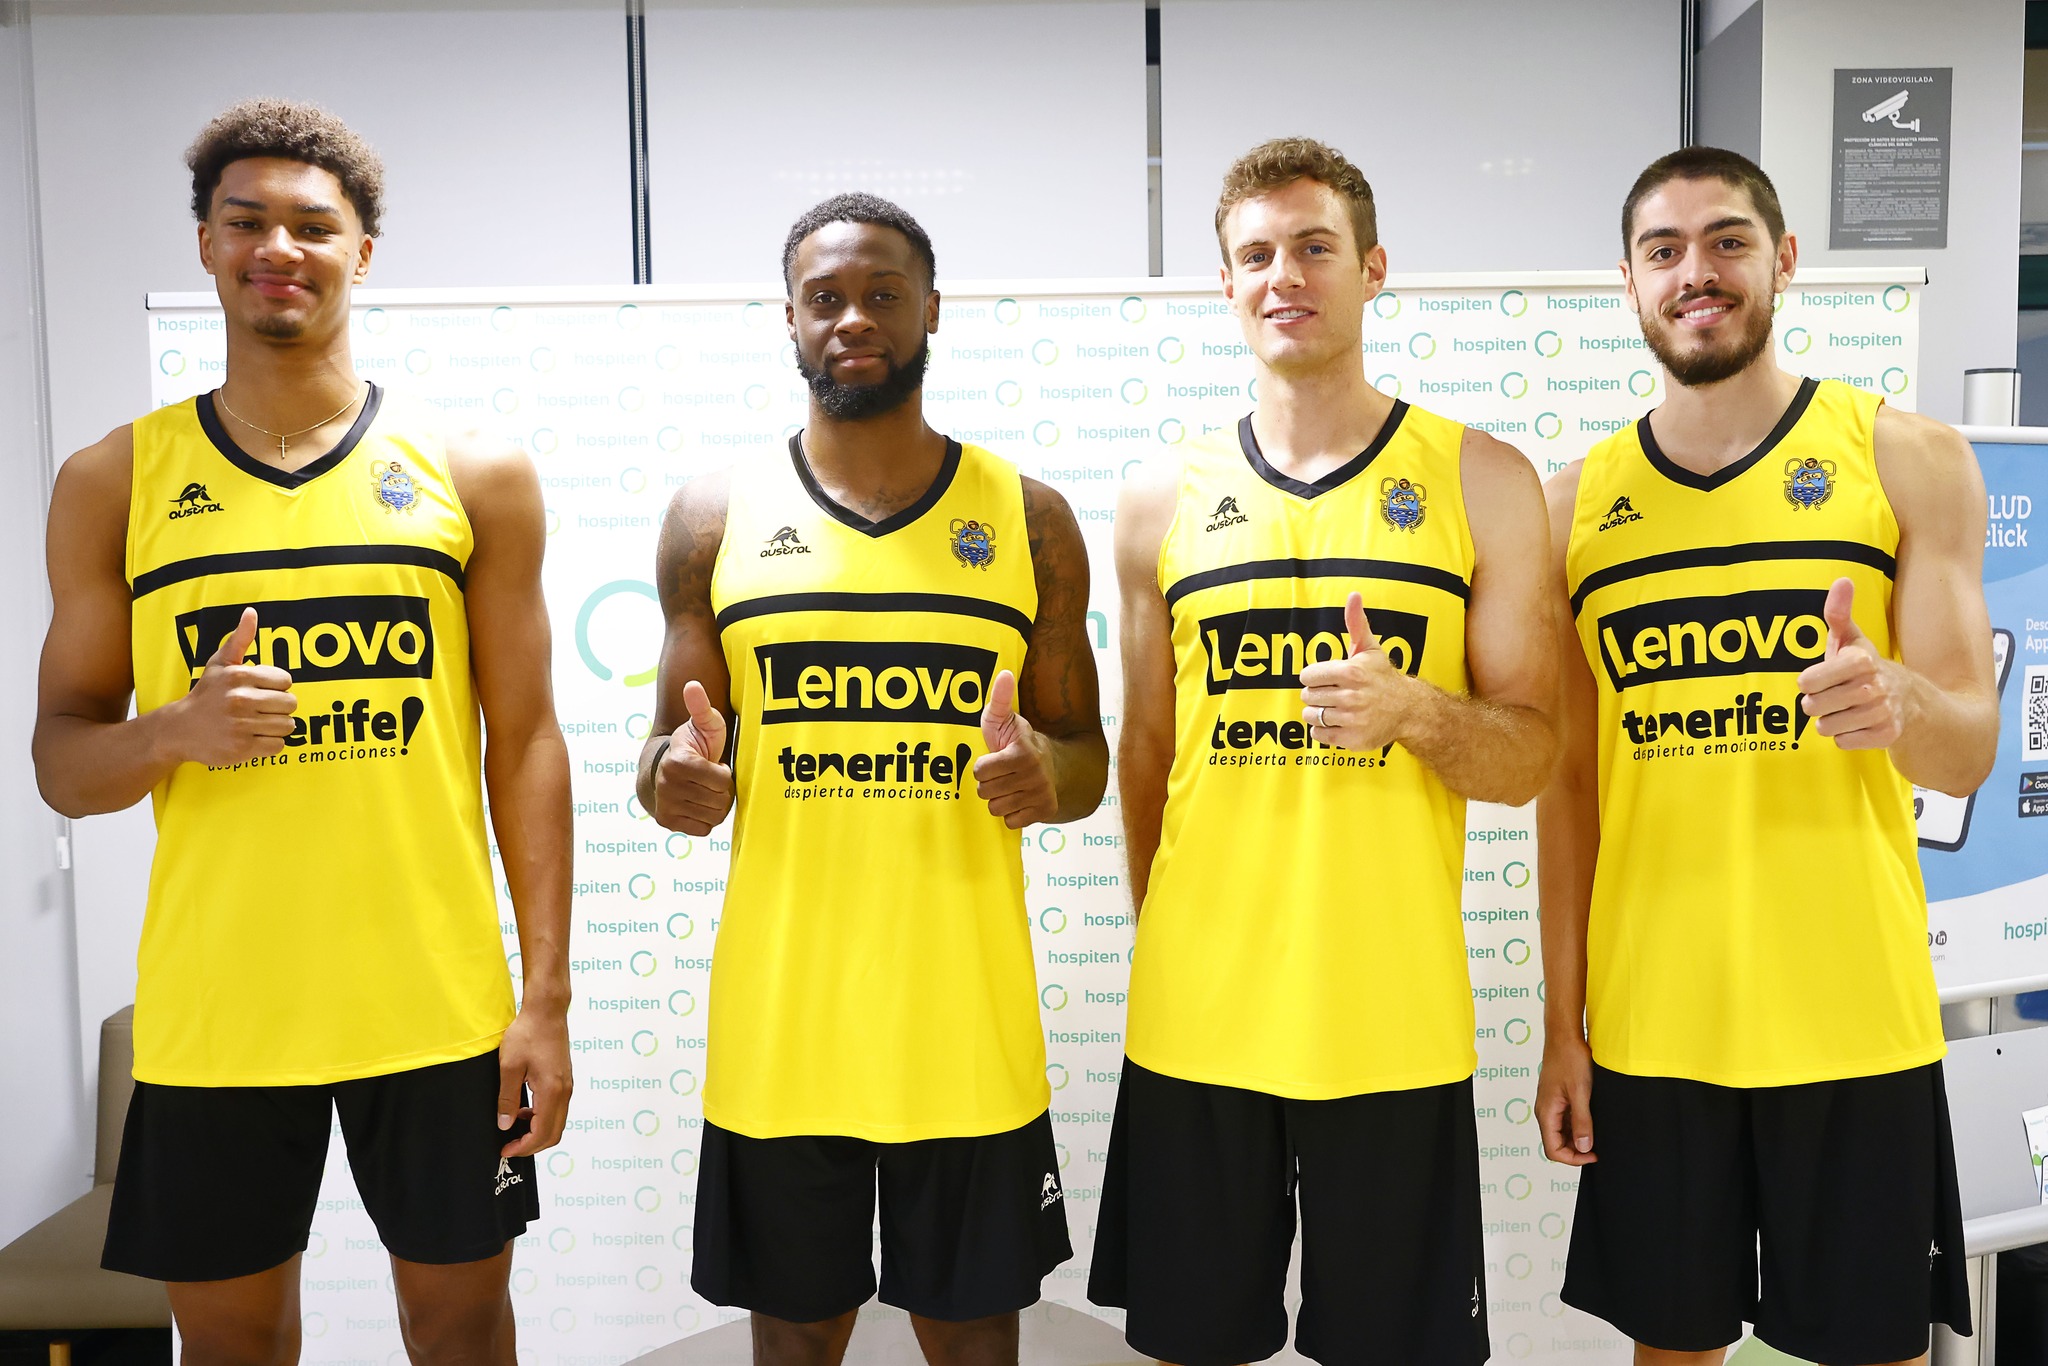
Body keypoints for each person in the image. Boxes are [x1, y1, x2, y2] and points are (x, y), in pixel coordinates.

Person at [33, 100, 573, 1366]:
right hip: (219, 1011)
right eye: (246, 221)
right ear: (207, 245)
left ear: (361, 252)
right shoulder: (114, 479)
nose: (278, 246)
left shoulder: (472, 470)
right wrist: (172, 730)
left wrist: (544, 998)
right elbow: (62, 761)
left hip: (434, 1006)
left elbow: (526, 743)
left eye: (312, 225)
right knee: (233, 1344)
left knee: (461, 1330)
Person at [1090, 136, 1559, 1366]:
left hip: (1387, 1020)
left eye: (1312, 247)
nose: (1282, 275)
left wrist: (1419, 714)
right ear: (1225, 282)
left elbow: (1530, 757)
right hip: (1197, 1021)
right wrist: (1168, 934)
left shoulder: (1479, 478)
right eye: (1255, 255)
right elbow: (1148, 750)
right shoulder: (1157, 498)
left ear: (1371, 268)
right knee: (1189, 1345)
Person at [1535, 146, 1994, 1366]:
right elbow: (1567, 793)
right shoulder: (1569, 506)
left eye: (1726, 241)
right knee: (1669, 1349)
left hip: (1851, 1016)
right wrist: (1560, 1026)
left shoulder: (1904, 457)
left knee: (1874, 1348)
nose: (1696, 271)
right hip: (1653, 1024)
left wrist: (1901, 698)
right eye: (1663, 250)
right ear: (1629, 282)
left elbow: (1966, 753)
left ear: (1782, 259)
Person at [636, 192, 1108, 1366]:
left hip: (964, 1026)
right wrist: (676, 780)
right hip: (784, 1028)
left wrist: (1042, 773)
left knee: (973, 1332)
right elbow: (662, 757)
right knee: (795, 1335)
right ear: (789, 318)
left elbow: (1086, 755)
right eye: (826, 297)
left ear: (930, 308)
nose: (854, 318)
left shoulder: (1028, 519)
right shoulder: (713, 517)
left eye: (883, 294)